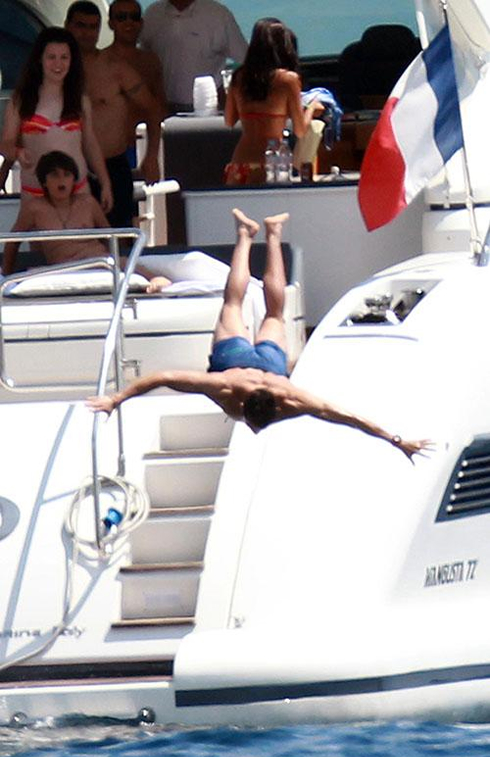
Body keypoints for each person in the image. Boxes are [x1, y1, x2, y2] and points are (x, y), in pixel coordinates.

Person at [87, 207, 432, 461]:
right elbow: (346, 417)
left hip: (262, 363)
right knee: (239, 304)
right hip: (237, 361)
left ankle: (268, 233)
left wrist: (396, 440)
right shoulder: (282, 398)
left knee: (262, 309)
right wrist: (394, 440)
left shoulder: (242, 390)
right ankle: (251, 234)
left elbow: (163, 377)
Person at [1, 150, 170, 293]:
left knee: (122, 261)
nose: (61, 180)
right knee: (30, 273)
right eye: (54, 175)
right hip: (63, 266)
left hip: (97, 259)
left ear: (73, 180)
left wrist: (114, 258)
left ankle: (156, 279)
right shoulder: (35, 208)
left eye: (66, 175)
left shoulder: (87, 202)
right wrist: (6, 275)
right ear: (44, 181)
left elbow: (110, 235)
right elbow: (12, 242)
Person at [65, 1, 162, 228]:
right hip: (65, 169)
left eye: (93, 27)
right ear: (67, 26)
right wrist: (5, 168)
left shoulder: (114, 68)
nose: (87, 33)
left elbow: (153, 108)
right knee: (71, 242)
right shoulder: (55, 69)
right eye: (80, 26)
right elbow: (28, 113)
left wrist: (151, 156)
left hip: (112, 166)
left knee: (118, 241)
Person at [0, 26, 113, 212]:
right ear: (40, 59)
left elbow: (90, 144)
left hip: (77, 191)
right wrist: (18, 152)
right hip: (35, 191)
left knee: (82, 241)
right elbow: (5, 143)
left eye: (64, 57)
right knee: (39, 241)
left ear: (72, 61)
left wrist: (105, 183)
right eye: (51, 57)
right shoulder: (21, 100)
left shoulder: (80, 100)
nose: (58, 64)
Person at [224, 18, 324, 186]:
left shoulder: (239, 77)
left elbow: (229, 121)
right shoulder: (288, 80)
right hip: (270, 164)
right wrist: (312, 107)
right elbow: (300, 130)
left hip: (239, 162)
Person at [140, 0, 247, 115]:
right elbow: (141, 58)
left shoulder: (218, 14)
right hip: (163, 108)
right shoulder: (153, 14)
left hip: (210, 108)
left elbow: (247, 59)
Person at [104, 0, 168, 167]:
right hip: (111, 151)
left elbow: (159, 106)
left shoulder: (150, 61)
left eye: (134, 17)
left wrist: (153, 154)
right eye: (121, 17)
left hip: (147, 146)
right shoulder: (101, 62)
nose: (128, 22)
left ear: (141, 23)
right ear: (111, 23)